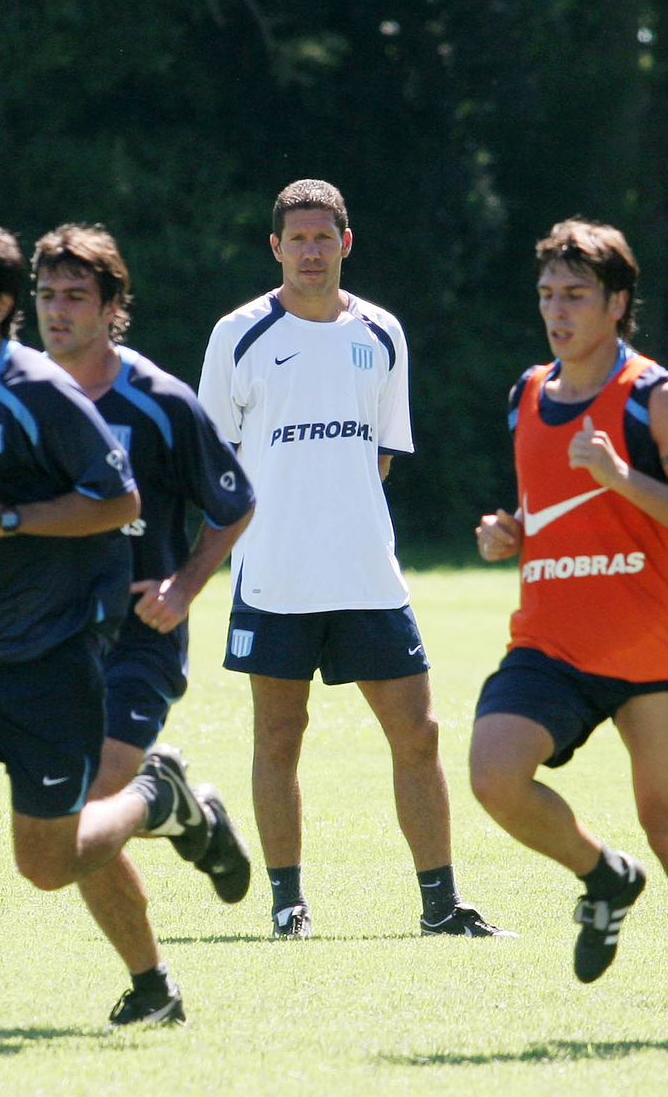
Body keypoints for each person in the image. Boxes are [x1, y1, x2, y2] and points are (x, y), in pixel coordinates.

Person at [0, 218, 242, 1046]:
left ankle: (153, 800)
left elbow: (121, 502)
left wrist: (10, 519)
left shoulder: (43, 394)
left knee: (48, 863)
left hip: (58, 659)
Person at [197, 178, 509, 939]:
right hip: (273, 572)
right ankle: (288, 905)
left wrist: (340, 519)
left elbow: (381, 456)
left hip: (368, 572)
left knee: (419, 733)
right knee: (279, 735)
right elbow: (212, 461)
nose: (310, 250)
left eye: (322, 237)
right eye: (295, 238)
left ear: (346, 242)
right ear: (275, 248)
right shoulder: (236, 334)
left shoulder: (383, 333)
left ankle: (441, 907)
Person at [470, 219, 668, 1048]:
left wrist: (623, 476)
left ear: (618, 304)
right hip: (551, 640)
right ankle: (603, 875)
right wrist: (510, 534)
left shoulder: (658, 397)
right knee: (494, 775)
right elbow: (549, 507)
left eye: (577, 295)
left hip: (652, 647)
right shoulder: (528, 392)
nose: (559, 311)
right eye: (549, 294)